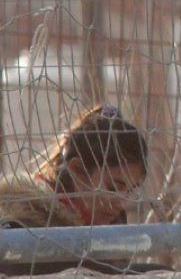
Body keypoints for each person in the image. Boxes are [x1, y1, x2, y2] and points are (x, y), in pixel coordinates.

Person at [0, 103, 156, 275]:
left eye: (130, 190)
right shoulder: (22, 227)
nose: (122, 203)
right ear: (76, 170)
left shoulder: (111, 228)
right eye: (113, 187)